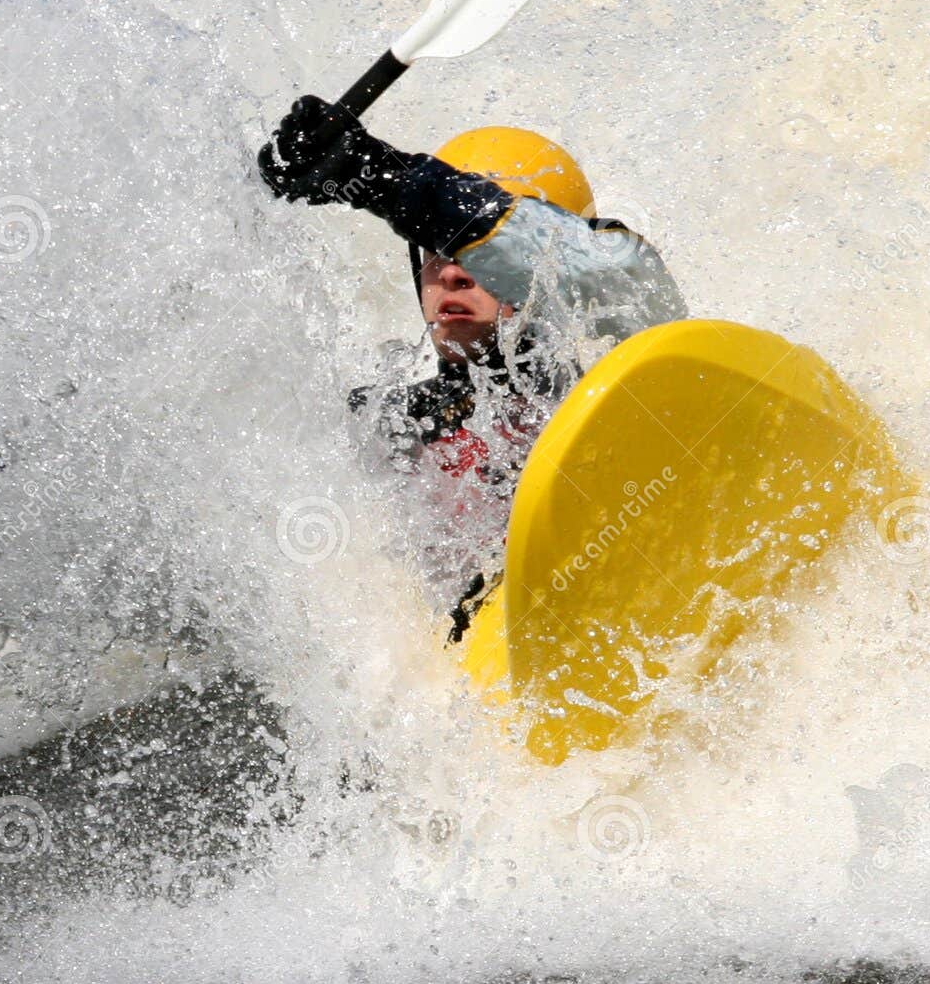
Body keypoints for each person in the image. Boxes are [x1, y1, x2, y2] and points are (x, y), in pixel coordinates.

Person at [258, 101, 686, 635]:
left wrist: (380, 177)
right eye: (436, 250)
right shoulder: (379, 423)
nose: (453, 273)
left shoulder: (624, 396)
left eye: (481, 256)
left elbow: (616, 273)